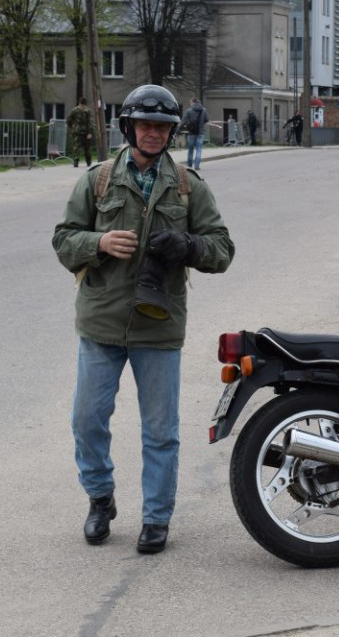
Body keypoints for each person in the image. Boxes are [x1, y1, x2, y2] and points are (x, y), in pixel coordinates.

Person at [52, 84, 235, 554]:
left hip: (159, 324)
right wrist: (98, 244)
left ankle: (157, 518)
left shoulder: (189, 185)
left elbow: (222, 250)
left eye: (163, 127)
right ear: (129, 127)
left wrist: (189, 246)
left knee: (161, 431)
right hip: (102, 322)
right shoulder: (97, 180)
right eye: (146, 125)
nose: (153, 133)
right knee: (87, 420)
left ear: (172, 133)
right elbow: (63, 238)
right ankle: (100, 498)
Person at [181, 98, 208, 169]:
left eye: (191, 102)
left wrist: (178, 129)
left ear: (193, 102)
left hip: (191, 132)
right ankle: (197, 165)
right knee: (199, 149)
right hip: (200, 132)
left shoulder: (189, 111)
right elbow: (206, 119)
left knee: (190, 149)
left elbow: (184, 121)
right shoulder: (204, 110)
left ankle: (189, 164)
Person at [67, 97, 94, 168]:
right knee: (86, 148)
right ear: (85, 104)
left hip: (77, 131)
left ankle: (76, 161)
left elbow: (69, 119)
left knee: (77, 147)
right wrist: (90, 132)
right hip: (85, 132)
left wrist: (71, 126)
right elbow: (90, 123)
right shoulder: (88, 111)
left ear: (79, 103)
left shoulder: (74, 110)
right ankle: (88, 162)